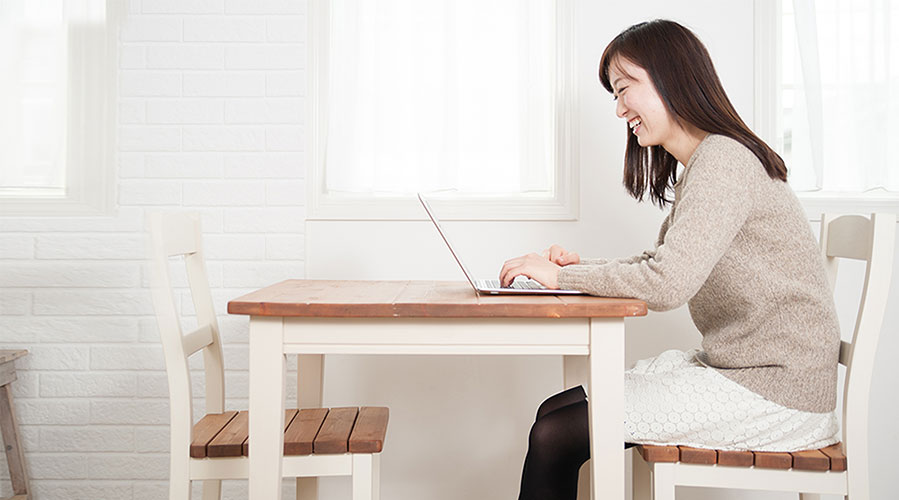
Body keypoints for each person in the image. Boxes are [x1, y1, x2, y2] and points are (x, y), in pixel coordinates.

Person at [499, 19, 841, 500]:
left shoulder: (723, 161)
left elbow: (666, 283)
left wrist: (562, 274)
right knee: (554, 413)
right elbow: (660, 261)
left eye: (624, 89)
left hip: (778, 393)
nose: (619, 109)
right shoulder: (707, 163)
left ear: (669, 76)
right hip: (747, 375)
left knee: (555, 435)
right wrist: (574, 270)